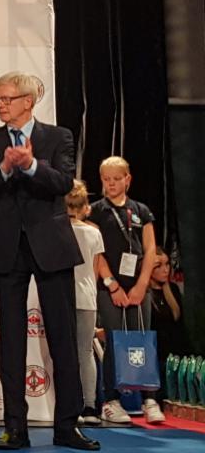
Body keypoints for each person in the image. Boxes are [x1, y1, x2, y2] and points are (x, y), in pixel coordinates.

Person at [0, 71, 98, 451]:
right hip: (7, 248)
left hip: (51, 247)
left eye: (7, 98)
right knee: (11, 340)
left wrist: (30, 165)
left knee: (62, 337)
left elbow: (63, 183)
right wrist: (5, 168)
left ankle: (67, 426)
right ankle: (15, 428)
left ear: (28, 101)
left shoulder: (58, 137)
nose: (1, 105)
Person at [89, 156, 163, 424]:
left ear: (127, 180)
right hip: (110, 287)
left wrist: (142, 285)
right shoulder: (96, 211)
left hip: (138, 287)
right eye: (106, 179)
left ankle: (149, 398)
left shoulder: (141, 211)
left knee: (141, 338)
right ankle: (112, 400)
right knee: (114, 339)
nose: (111, 184)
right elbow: (96, 251)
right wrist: (112, 284)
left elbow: (150, 249)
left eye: (116, 179)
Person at [65, 179, 104, 426]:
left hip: (63, 297)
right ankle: (89, 406)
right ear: (84, 207)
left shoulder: (56, 231)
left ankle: (68, 405)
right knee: (85, 351)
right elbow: (95, 271)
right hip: (87, 297)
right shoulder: (94, 233)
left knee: (64, 353)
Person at [148, 247, 188, 405]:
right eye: (159, 266)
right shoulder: (144, 295)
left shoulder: (173, 290)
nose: (165, 269)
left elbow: (180, 328)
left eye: (167, 264)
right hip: (153, 360)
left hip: (173, 359)